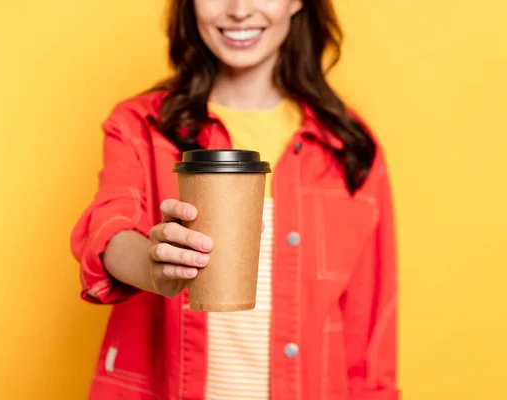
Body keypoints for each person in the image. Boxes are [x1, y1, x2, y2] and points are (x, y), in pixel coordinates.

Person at [71, 0, 399, 399]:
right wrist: (154, 266)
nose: (239, 10)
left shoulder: (349, 149)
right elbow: (109, 231)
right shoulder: (140, 125)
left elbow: (369, 336)